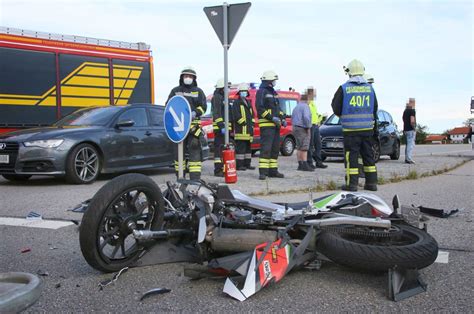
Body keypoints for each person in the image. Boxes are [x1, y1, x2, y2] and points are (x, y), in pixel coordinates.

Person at [331, 59, 378, 191]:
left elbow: (336, 108)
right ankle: (371, 183)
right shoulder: (370, 88)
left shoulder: (344, 88)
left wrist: (344, 116)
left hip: (350, 130)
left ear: (349, 73)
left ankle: (352, 185)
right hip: (367, 129)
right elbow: (375, 108)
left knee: (351, 157)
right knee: (368, 156)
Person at [166, 66, 207, 180]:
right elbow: (169, 106)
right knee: (178, 154)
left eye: (190, 76)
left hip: (193, 128)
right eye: (186, 76)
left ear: (194, 78)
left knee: (195, 152)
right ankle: (180, 178)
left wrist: (195, 112)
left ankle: (195, 179)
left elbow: (203, 107)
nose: (188, 78)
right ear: (182, 77)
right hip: (178, 129)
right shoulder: (175, 91)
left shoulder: (199, 91)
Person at [256, 70, 286, 180]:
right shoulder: (262, 91)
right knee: (266, 148)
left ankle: (273, 171)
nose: (275, 82)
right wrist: (271, 118)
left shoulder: (274, 93)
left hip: (276, 125)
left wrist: (282, 118)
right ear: (269, 81)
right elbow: (260, 108)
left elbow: (278, 109)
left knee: (275, 149)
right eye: (274, 80)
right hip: (267, 125)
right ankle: (263, 172)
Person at [211, 78, 232, 177]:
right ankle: (218, 170)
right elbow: (217, 113)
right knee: (219, 150)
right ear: (222, 88)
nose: (228, 89)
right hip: (220, 129)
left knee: (223, 150)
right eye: (227, 87)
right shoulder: (217, 97)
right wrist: (221, 126)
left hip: (225, 129)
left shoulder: (223, 97)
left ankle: (223, 169)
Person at [233, 83, 255, 171]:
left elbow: (252, 114)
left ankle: (247, 164)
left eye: (245, 91)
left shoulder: (248, 102)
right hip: (241, 130)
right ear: (239, 93)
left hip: (249, 130)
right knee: (240, 149)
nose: (244, 93)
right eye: (242, 91)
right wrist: (243, 123)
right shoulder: (236, 103)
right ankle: (239, 165)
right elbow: (236, 115)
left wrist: (252, 124)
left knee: (248, 149)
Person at [307, 87, 327, 169]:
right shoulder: (307, 103)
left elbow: (315, 115)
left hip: (315, 126)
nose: (315, 94)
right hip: (310, 126)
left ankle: (318, 162)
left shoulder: (313, 104)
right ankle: (309, 162)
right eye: (314, 93)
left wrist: (321, 117)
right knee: (310, 145)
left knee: (318, 144)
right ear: (310, 93)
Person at [292, 97, 314, 172]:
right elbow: (306, 117)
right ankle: (305, 164)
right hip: (303, 128)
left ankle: (300, 164)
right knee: (304, 146)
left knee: (299, 146)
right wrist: (308, 127)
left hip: (295, 127)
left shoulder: (296, 107)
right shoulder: (305, 106)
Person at [403, 98, 416, 164]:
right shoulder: (412, 111)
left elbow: (403, 119)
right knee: (410, 145)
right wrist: (414, 128)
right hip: (410, 130)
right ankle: (409, 159)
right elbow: (412, 121)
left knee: (407, 144)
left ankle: (406, 158)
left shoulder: (405, 111)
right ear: (412, 103)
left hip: (405, 129)